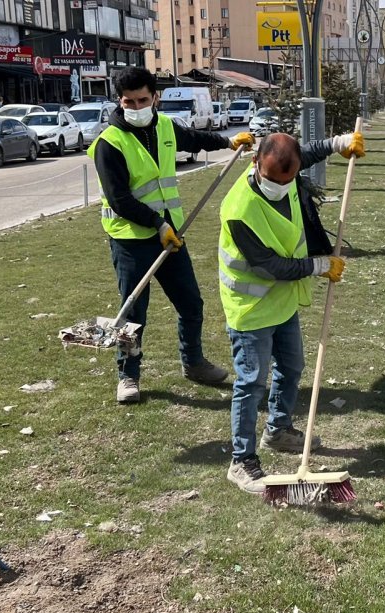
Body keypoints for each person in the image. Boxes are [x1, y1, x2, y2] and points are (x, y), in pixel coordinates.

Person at [89, 66, 256, 403]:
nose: (135, 108)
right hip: (131, 240)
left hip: (172, 237)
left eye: (142, 100)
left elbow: (195, 139)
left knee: (191, 303)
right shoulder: (109, 144)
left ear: (156, 97)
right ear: (119, 102)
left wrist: (228, 141)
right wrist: (157, 223)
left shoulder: (165, 127)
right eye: (128, 102)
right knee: (133, 312)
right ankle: (128, 377)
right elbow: (120, 199)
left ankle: (193, 363)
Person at [217, 131, 365, 493]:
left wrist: (338, 143)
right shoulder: (239, 209)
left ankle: (279, 431)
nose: (280, 187)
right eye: (272, 180)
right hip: (250, 308)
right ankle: (242, 461)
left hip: (280, 303)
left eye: (288, 180)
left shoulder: (286, 171)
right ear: (256, 163)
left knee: (292, 366)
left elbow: (306, 152)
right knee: (251, 382)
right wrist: (318, 266)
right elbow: (269, 265)